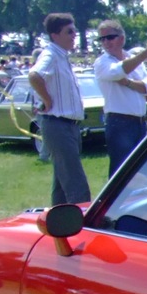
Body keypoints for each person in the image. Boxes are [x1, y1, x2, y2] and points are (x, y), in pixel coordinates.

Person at [27, 12, 90, 205]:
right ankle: (82, 227)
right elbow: (34, 75)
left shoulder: (62, 57)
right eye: (69, 32)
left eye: (74, 31)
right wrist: (46, 100)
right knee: (77, 185)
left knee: (62, 186)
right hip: (57, 125)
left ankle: (58, 225)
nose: (74, 35)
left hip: (68, 126)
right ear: (55, 35)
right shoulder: (51, 54)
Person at [93, 19, 147, 178]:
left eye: (110, 37)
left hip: (139, 122)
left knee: (141, 171)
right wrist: (146, 53)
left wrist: (128, 83)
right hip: (119, 122)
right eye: (102, 39)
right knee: (122, 172)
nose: (106, 42)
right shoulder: (102, 62)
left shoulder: (133, 59)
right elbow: (119, 71)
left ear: (121, 38)